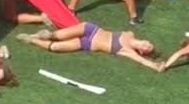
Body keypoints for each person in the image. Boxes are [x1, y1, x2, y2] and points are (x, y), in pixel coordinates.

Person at [18, 23, 159, 70]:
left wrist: (155, 66)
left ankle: (32, 39)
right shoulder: (129, 33)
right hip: (91, 29)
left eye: (148, 48)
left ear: (141, 51)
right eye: (149, 44)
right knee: (55, 36)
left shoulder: (127, 51)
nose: (147, 45)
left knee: (55, 47)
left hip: (87, 43)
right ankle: (44, 35)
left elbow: (141, 61)